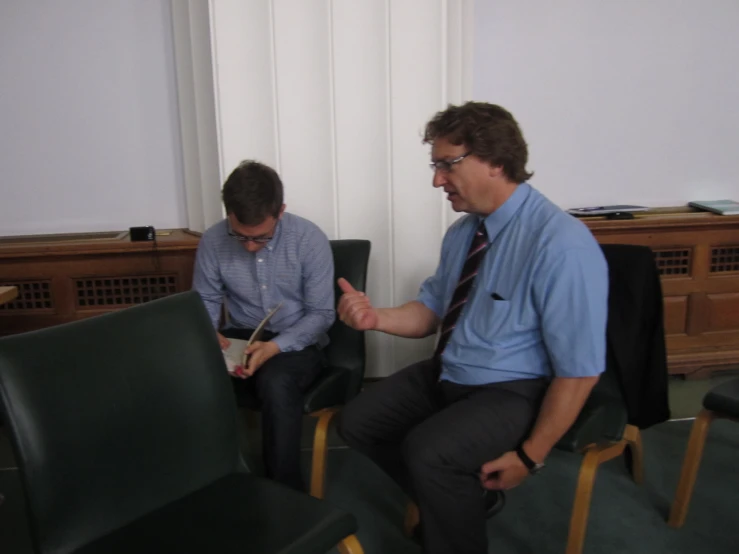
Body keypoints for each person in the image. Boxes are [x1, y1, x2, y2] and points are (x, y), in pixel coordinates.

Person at [336, 102, 608, 554]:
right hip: (451, 370)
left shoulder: (561, 243)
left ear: (497, 162)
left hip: (514, 388)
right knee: (358, 422)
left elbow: (579, 371)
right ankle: (466, 497)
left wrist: (530, 456)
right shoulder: (464, 233)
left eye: (447, 165)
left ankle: (452, 511)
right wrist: (375, 318)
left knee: (430, 454)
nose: (436, 180)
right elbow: (430, 312)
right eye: (435, 165)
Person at [192, 160, 335, 492]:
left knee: (276, 380)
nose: (250, 246)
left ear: (280, 211)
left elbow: (321, 314)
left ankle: (285, 494)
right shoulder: (213, 241)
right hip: (239, 334)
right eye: (239, 236)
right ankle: (205, 484)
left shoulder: (309, 239)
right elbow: (207, 300)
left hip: (295, 339)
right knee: (190, 371)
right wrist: (208, 334)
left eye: (261, 238)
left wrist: (274, 347)